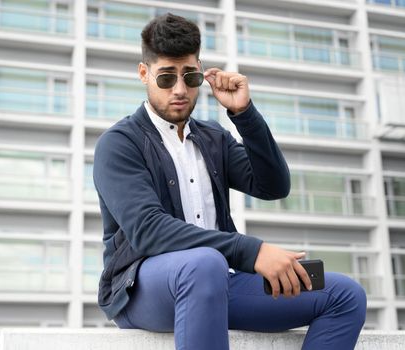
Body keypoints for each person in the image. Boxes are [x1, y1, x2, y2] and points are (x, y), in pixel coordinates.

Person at [93, 13, 366, 350]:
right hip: (141, 290)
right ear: (143, 73)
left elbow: (273, 186)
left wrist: (244, 113)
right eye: (166, 78)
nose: (179, 90)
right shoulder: (120, 143)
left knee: (345, 295)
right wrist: (252, 252)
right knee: (204, 262)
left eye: (189, 76)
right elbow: (149, 230)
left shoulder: (213, 138)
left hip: (218, 283)